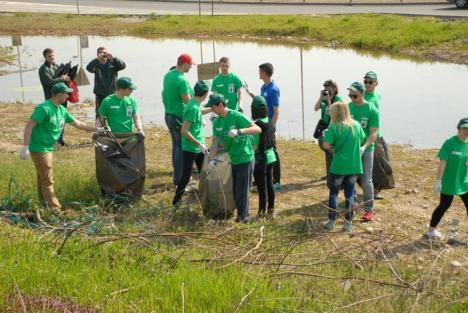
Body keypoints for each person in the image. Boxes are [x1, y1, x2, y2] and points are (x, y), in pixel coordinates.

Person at [19, 82, 105, 212]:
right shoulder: (44, 108)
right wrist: (25, 146)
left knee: (42, 177)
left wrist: (98, 129)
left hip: (48, 148)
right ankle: (55, 209)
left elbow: (79, 124)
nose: (68, 95)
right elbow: (29, 125)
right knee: (48, 180)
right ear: (59, 94)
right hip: (39, 148)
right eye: (66, 93)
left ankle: (43, 205)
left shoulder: (62, 110)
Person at [207, 94, 261, 223]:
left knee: (242, 191)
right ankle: (242, 215)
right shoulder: (217, 121)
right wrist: (211, 159)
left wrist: (240, 131)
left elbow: (257, 129)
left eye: (213, 107)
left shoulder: (235, 116)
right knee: (236, 190)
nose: (211, 110)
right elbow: (215, 142)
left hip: (244, 158)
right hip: (232, 160)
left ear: (220, 105)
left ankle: (243, 218)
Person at [322, 101, 366, 233]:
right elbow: (363, 138)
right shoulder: (356, 125)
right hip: (354, 166)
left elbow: (326, 145)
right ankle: (348, 224)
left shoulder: (334, 127)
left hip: (339, 166)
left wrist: (333, 147)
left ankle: (332, 221)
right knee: (350, 194)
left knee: (334, 193)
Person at [426, 118, 468, 239]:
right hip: (450, 181)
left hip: (464, 181)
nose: (467, 131)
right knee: (444, 205)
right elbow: (443, 162)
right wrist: (438, 180)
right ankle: (431, 230)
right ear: (458, 129)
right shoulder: (450, 143)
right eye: (464, 128)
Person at [172, 81, 212, 205]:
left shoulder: (194, 103)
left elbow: (200, 111)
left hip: (199, 147)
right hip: (191, 148)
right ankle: (176, 200)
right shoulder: (193, 108)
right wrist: (198, 144)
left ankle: (206, 196)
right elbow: (184, 131)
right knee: (186, 176)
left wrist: (213, 108)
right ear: (205, 94)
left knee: (205, 173)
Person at [347, 82, 380, 222]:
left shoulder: (372, 110)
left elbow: (374, 133)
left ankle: (368, 209)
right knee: (351, 179)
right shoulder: (348, 107)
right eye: (350, 95)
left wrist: (364, 147)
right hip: (351, 149)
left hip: (366, 149)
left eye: (354, 95)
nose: (352, 98)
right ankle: (352, 206)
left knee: (366, 180)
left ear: (362, 94)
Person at [246, 63, 281, 190]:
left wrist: (272, 126)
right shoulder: (263, 87)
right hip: (262, 124)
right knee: (261, 150)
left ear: (265, 73)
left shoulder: (273, 89)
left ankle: (276, 180)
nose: (258, 73)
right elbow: (261, 101)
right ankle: (261, 179)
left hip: (269, 126)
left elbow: (276, 110)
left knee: (273, 151)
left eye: (260, 71)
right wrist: (250, 93)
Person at [162, 53, 195, 186]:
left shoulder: (168, 75)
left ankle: (177, 177)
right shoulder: (182, 80)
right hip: (179, 117)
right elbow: (188, 101)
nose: (191, 68)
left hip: (168, 114)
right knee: (181, 148)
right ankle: (180, 180)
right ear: (185, 64)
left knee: (176, 146)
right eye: (190, 65)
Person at [363, 71, 392, 200]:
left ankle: (377, 188)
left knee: (385, 162)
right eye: (366, 81)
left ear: (376, 83)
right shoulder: (362, 97)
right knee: (375, 165)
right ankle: (374, 190)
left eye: (370, 82)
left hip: (378, 134)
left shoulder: (377, 95)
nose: (367, 84)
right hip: (369, 137)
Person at [38, 48, 70, 146]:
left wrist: (69, 76)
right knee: (53, 120)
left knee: (62, 118)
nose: (52, 57)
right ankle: (52, 140)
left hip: (62, 96)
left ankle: (60, 139)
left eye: (52, 55)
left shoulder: (57, 66)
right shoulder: (43, 69)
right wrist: (62, 78)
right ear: (45, 57)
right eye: (49, 56)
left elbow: (62, 78)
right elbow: (50, 82)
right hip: (51, 98)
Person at [250, 96, 276, 218]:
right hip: (271, 157)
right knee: (269, 184)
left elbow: (254, 146)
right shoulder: (269, 121)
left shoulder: (257, 126)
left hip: (260, 160)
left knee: (261, 188)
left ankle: (261, 212)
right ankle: (271, 209)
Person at [313, 79, 342, 185]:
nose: (326, 89)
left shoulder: (338, 99)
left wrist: (329, 101)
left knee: (329, 149)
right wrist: (321, 97)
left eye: (328, 87)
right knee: (327, 151)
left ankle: (335, 172)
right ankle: (330, 173)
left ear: (334, 88)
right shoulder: (324, 99)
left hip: (333, 128)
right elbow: (316, 108)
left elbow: (333, 113)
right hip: (324, 127)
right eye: (325, 87)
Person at [86, 46, 126, 115]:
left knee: (113, 114)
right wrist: (97, 60)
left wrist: (114, 58)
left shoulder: (113, 62)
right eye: (100, 53)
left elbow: (123, 66)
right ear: (97, 54)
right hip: (100, 95)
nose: (103, 54)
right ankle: (100, 126)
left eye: (104, 53)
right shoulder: (96, 64)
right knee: (100, 115)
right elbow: (89, 68)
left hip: (112, 94)